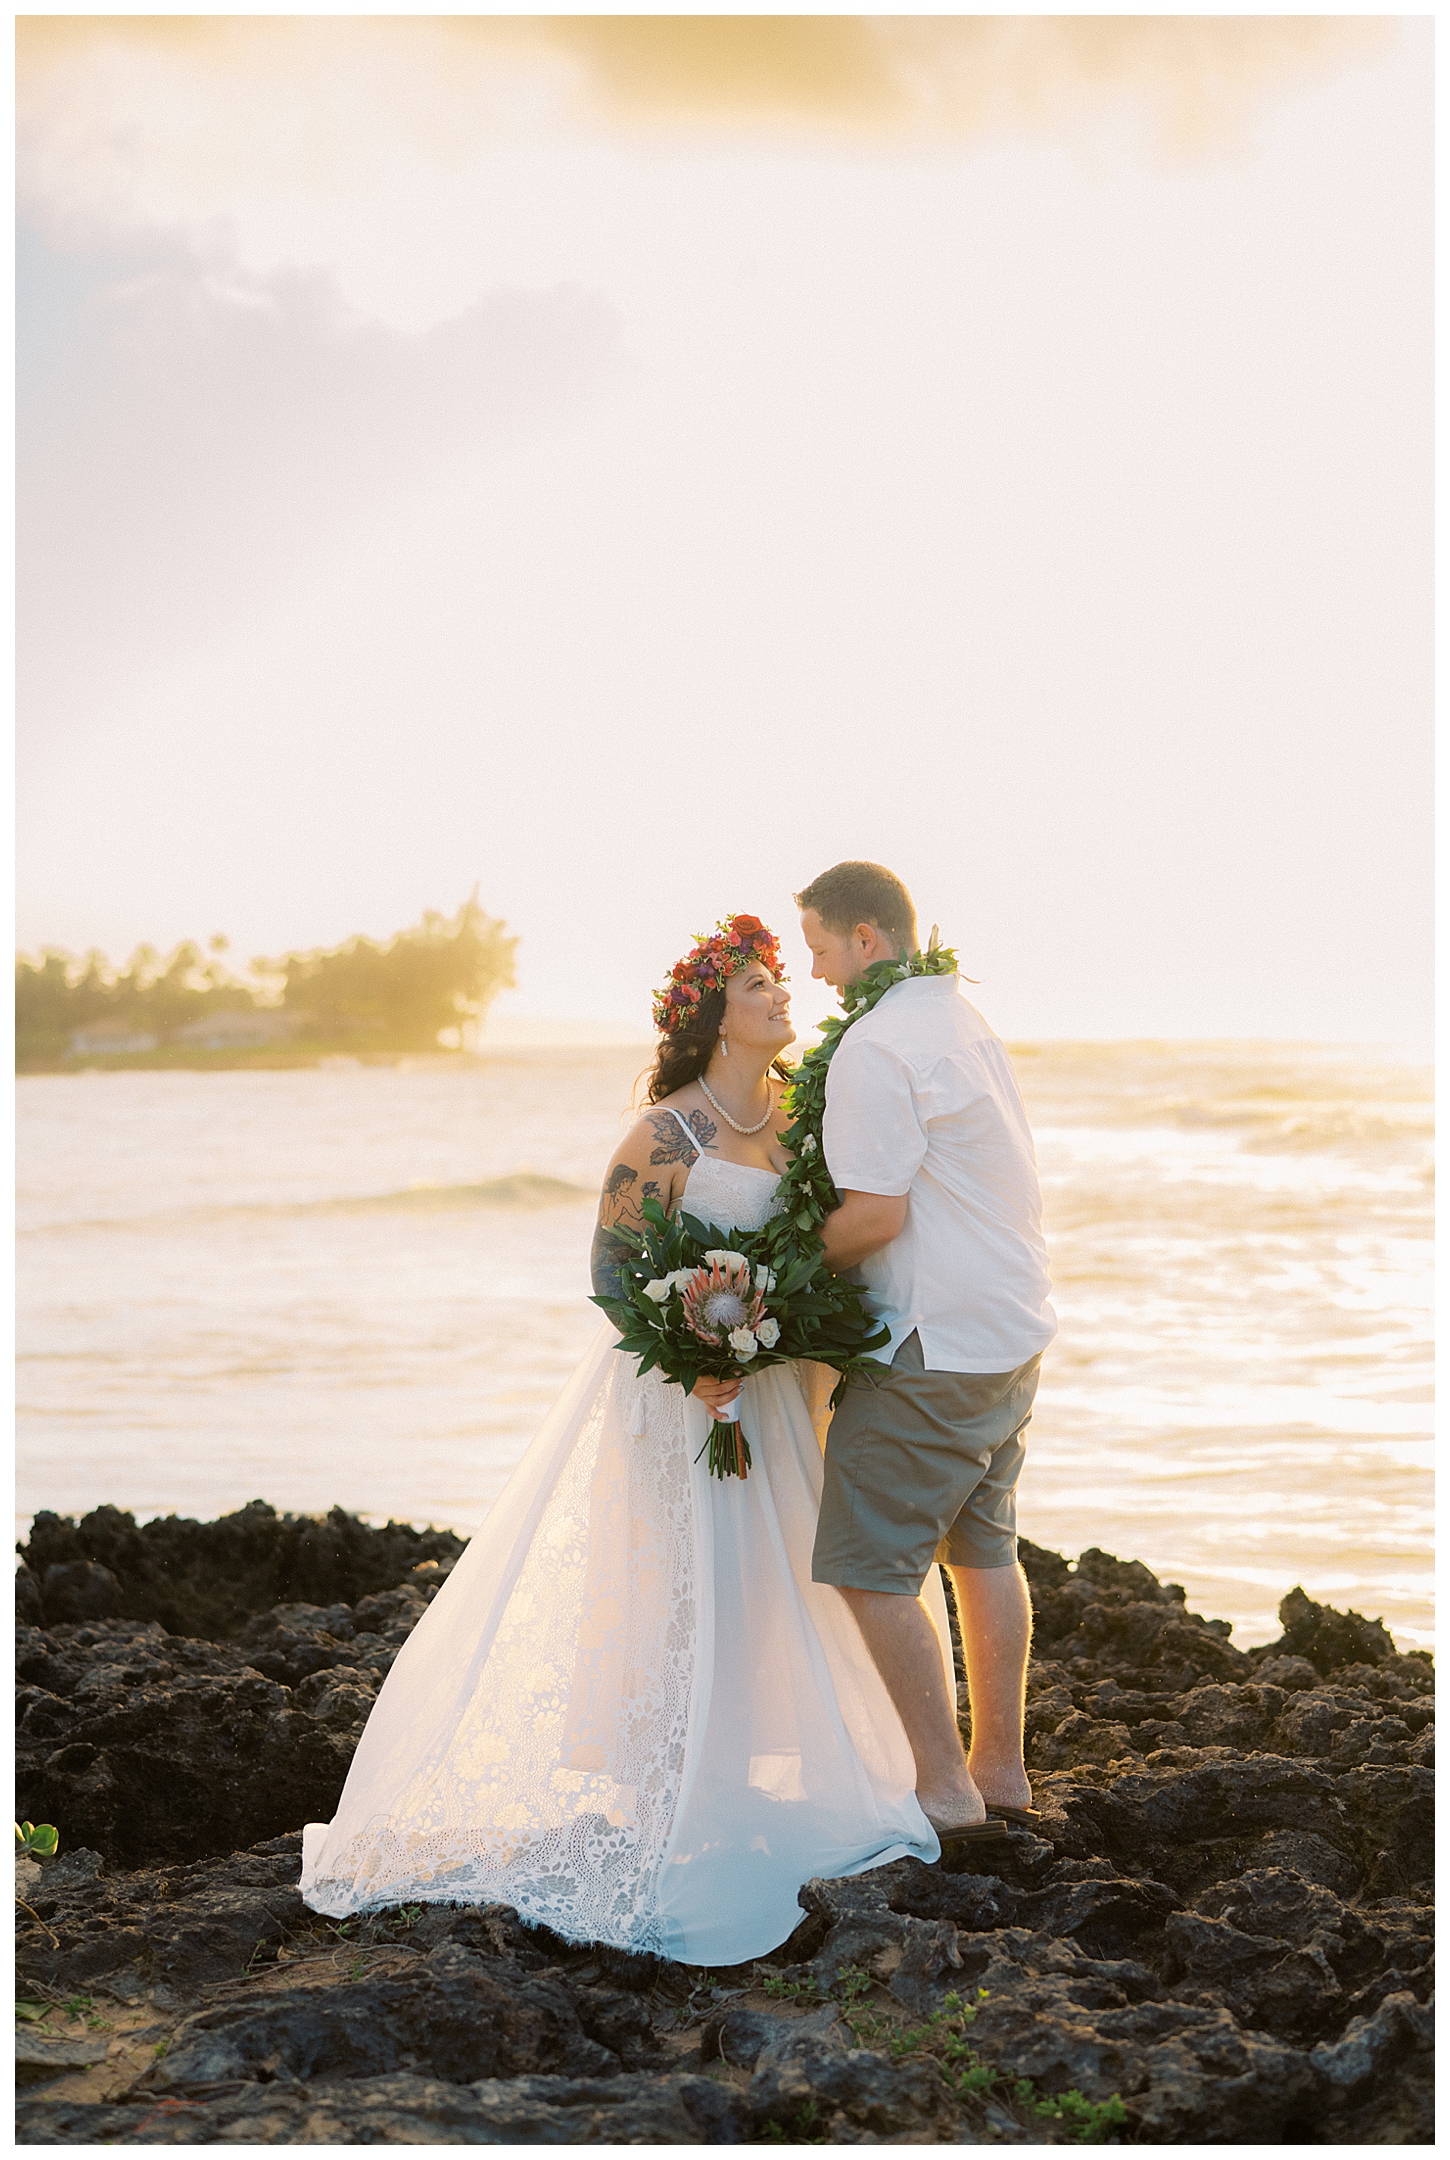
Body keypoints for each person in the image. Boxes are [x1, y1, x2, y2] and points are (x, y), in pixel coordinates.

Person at [298, 912, 994, 1969]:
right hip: (679, 1397)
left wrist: (789, 1339)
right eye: (758, 983)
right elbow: (616, 1273)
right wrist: (692, 1351)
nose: (778, 994)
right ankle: (677, 1788)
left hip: (779, 1390)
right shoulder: (666, 1135)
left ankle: (783, 1770)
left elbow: (834, 1238)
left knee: (782, 1582)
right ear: (712, 1014)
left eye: (776, 979)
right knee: (684, 1579)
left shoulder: (802, 1120)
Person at [796, 861, 1058, 1843]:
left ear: (866, 938)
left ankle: (943, 1792)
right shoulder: (960, 1019)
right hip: (1009, 1325)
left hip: (931, 1341)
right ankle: (1000, 1771)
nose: (815, 970)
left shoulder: (875, 1047)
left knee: (869, 1566)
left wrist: (769, 1281)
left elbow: (871, 1216)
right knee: (981, 1547)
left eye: (820, 946)